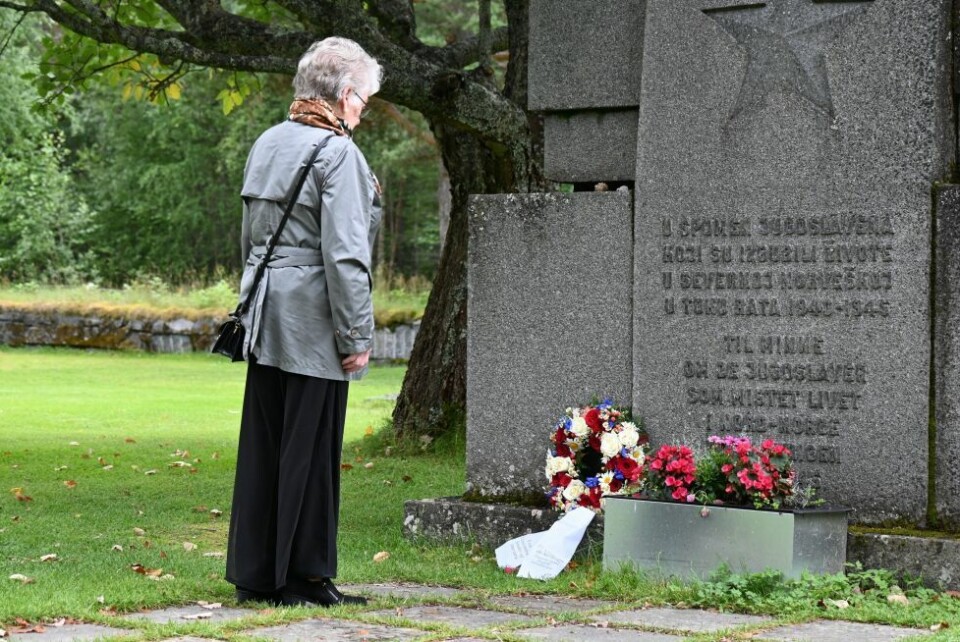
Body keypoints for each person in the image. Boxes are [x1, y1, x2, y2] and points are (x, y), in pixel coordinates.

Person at [225, 37, 383, 608]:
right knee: (312, 448)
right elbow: (346, 255)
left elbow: (250, 241)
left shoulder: (267, 142)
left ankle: (256, 575)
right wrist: (357, 335)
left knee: (265, 445)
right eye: (364, 99)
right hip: (316, 316)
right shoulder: (337, 153)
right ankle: (306, 577)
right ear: (343, 95)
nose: (364, 110)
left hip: (266, 311)